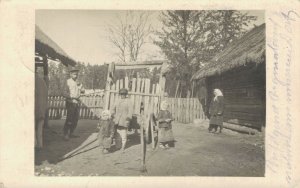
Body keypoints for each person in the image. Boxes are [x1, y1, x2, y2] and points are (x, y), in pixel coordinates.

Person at [63, 66, 85, 141]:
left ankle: (71, 133)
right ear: (70, 74)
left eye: (77, 74)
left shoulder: (78, 82)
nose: (76, 76)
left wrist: (81, 87)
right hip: (70, 102)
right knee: (69, 119)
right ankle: (66, 134)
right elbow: (64, 93)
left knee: (75, 119)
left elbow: (83, 91)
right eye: (74, 74)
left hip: (77, 103)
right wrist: (72, 97)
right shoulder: (67, 82)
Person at [112, 88, 131, 152]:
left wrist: (128, 118)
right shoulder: (117, 101)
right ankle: (118, 146)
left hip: (124, 120)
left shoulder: (128, 101)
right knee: (117, 134)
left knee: (123, 135)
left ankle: (123, 146)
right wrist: (113, 115)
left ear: (126, 95)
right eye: (121, 94)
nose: (123, 95)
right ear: (120, 94)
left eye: (124, 94)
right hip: (117, 120)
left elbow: (130, 111)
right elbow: (113, 109)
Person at [35, 72, 48, 150]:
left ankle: (34, 144)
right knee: (40, 128)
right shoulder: (43, 82)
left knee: (33, 128)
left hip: (35, 109)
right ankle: (40, 144)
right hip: (42, 109)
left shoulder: (32, 81)